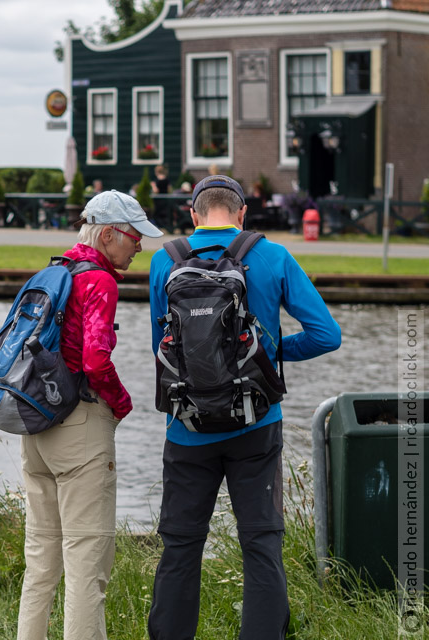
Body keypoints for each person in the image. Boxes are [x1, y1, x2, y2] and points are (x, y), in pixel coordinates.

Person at [146, 176, 342, 640]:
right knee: (260, 543)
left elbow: (163, 349)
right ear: (241, 213)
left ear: (193, 214)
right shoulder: (273, 256)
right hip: (257, 424)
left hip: (187, 428)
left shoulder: (164, 260)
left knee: (180, 545)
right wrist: (264, 354)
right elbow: (326, 335)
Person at [16, 190, 162, 640]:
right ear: (110, 234)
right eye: (135, 236)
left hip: (36, 425)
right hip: (79, 429)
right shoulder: (99, 281)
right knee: (87, 566)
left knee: (41, 562)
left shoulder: (56, 270)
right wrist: (122, 402)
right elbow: (96, 360)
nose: (140, 245)